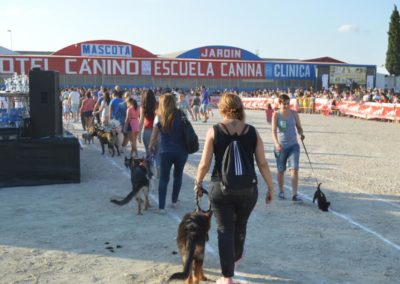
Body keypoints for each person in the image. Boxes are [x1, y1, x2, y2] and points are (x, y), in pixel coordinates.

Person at [194, 93, 275, 284]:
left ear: (222, 108)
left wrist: (198, 182)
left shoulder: (214, 131)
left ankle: (227, 277)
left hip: (220, 188)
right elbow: (262, 163)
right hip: (248, 189)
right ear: (240, 108)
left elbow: (205, 163)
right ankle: (236, 256)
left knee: (224, 229)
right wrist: (271, 188)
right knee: (240, 225)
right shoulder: (252, 132)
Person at [149, 93, 188, 214]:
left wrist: (151, 147)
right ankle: (174, 201)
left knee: (164, 179)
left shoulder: (159, 116)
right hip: (181, 151)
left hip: (165, 151)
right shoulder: (181, 114)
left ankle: (161, 207)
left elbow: (154, 137)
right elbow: (186, 131)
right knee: (178, 175)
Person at [271, 93, 305, 202]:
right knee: (281, 170)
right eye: (284, 104)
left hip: (293, 146)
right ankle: (281, 191)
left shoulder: (294, 114)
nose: (286, 106)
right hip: (281, 147)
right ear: (279, 103)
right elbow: (273, 131)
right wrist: (276, 143)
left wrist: (301, 133)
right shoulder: (276, 115)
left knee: (294, 170)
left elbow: (299, 128)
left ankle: (295, 195)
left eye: (287, 104)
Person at [138, 89, 158, 156]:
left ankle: (150, 166)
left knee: (148, 154)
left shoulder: (143, 107)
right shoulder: (157, 105)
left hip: (147, 131)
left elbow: (141, 120)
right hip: (157, 131)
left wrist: (139, 133)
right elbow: (157, 119)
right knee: (157, 154)